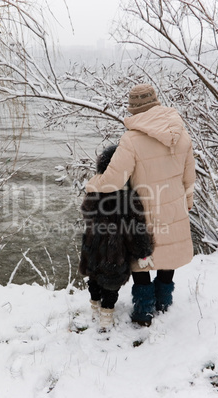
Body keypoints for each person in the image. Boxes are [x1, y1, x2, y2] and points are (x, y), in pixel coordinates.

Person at [86, 83, 196, 327]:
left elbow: (114, 180)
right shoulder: (181, 134)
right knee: (168, 255)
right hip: (175, 206)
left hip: (144, 211)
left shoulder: (132, 139)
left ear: (134, 110)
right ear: (155, 103)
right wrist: (187, 201)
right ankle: (164, 303)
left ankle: (144, 310)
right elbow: (189, 177)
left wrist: (93, 185)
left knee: (141, 256)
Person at [79, 145, 154, 332]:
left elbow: (86, 213)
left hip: (92, 245)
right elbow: (137, 228)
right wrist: (143, 252)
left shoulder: (93, 188)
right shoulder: (127, 196)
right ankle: (106, 318)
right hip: (115, 250)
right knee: (110, 285)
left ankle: (94, 307)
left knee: (94, 278)